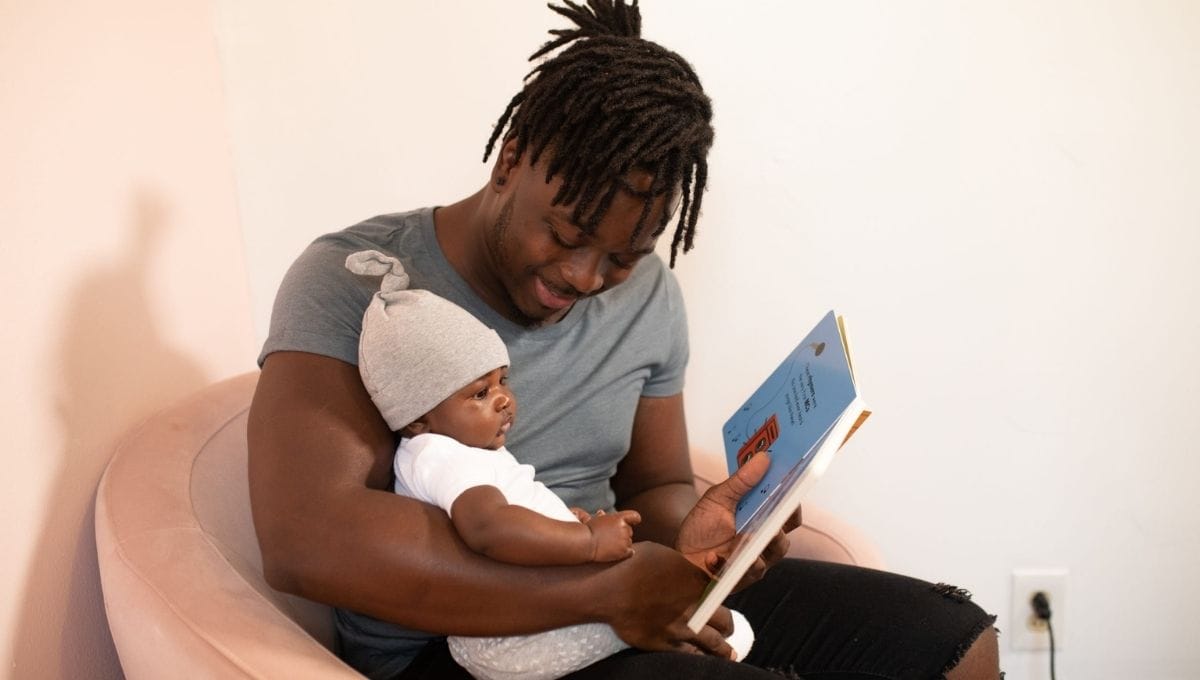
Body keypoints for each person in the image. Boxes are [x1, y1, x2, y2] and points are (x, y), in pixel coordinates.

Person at [248, 1, 1002, 679]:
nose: (585, 277)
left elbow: (654, 488)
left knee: (952, 640)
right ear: (512, 160)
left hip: (618, 586)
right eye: (568, 234)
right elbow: (307, 538)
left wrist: (707, 530)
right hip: (459, 648)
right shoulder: (358, 282)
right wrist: (601, 587)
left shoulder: (646, 296)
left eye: (623, 256)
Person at [341, 248, 754, 679]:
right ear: (418, 418)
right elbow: (490, 528)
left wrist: (564, 525)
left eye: (503, 380)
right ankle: (714, 631)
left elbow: (513, 520)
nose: (503, 398)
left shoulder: (461, 451)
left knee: (669, 604)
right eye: (479, 393)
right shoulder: (441, 456)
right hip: (509, 639)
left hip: (523, 621)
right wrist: (588, 543)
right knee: (672, 616)